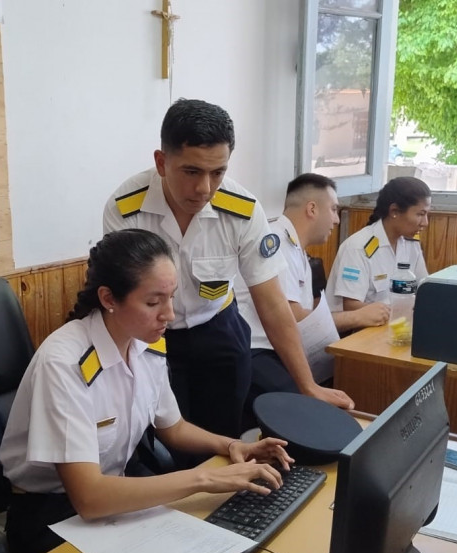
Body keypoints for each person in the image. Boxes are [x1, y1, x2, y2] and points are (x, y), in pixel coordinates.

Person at [0, 229, 295, 553]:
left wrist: (229, 446)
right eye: (153, 302)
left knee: (215, 552)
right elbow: (89, 497)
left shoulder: (146, 342)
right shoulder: (65, 364)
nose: (169, 314)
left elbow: (173, 426)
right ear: (109, 299)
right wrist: (205, 478)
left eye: (171, 297)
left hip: (117, 493)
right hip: (51, 513)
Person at [103, 99, 352, 443]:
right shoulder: (126, 208)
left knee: (222, 441)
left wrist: (308, 385)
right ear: (162, 162)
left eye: (217, 172)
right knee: (162, 443)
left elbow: (272, 303)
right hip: (153, 338)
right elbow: (120, 299)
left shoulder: (243, 211)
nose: (204, 188)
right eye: (191, 172)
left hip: (219, 331)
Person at [236, 174, 390, 419]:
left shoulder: (297, 249)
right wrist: (358, 317)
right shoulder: (276, 241)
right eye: (333, 209)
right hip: (258, 352)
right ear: (311, 209)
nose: (337, 220)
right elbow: (296, 317)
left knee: (337, 394)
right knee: (311, 414)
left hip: (283, 349)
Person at [325, 176, 431, 312]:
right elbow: (351, 307)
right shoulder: (358, 247)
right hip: (355, 330)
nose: (425, 223)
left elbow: (423, 291)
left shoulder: (411, 244)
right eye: (420, 214)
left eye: (427, 214)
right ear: (394, 211)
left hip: (394, 324)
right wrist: (395, 314)